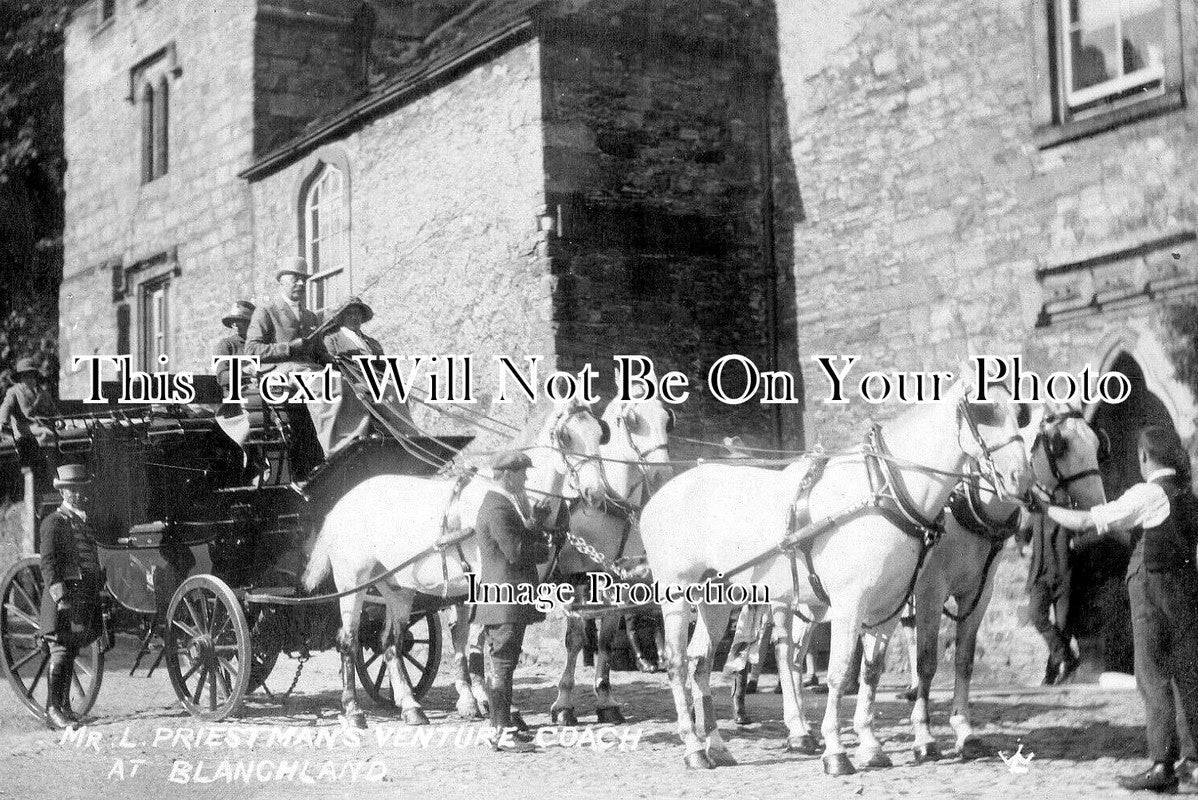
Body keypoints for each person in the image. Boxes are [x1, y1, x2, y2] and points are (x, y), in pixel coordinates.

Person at [1033, 426, 1198, 793]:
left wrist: (1045, 507)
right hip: (1185, 591)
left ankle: (1161, 765)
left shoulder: (1147, 492)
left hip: (1151, 592)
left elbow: (1087, 520)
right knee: (1184, 674)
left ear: (1144, 456)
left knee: (1150, 675)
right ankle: (1191, 762)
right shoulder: (1187, 494)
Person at [472, 451, 552, 753]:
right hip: (505, 600)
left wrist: (536, 522)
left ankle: (500, 730)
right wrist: (545, 549)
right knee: (503, 666)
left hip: (508, 600)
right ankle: (501, 733)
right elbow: (516, 551)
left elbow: (519, 536)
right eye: (522, 474)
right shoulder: (497, 507)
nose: (527, 479)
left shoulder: (503, 504)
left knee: (504, 665)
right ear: (507, 474)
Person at [244, 258, 326, 475]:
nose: (300, 283)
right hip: (280, 374)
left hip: (307, 373)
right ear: (281, 281)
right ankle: (331, 446)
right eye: (295, 279)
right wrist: (288, 348)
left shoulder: (311, 316)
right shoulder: (266, 312)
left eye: (303, 280)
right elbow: (252, 350)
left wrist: (338, 361)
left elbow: (319, 353)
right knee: (319, 384)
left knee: (340, 383)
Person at [39, 464, 103, 731]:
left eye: (79, 490)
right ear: (62, 491)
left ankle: (65, 707)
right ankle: (53, 709)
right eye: (70, 490)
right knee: (61, 651)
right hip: (62, 599)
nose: (75, 494)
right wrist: (60, 596)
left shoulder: (83, 522)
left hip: (83, 597)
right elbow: (48, 564)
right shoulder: (54, 522)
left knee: (71, 648)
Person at [1026, 512, 1080, 685]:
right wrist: (1022, 545)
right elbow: (1022, 533)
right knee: (1035, 614)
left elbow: (1084, 533)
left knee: (1062, 627)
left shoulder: (1067, 514)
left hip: (1064, 578)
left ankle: (1051, 675)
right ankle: (1069, 657)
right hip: (1040, 577)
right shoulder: (1035, 514)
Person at [1, 357, 59, 489]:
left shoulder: (42, 392)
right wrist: (3, 422)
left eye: (32, 375)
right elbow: (5, 407)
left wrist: (59, 418)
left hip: (42, 426)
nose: (29, 379)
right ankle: (53, 476)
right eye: (25, 376)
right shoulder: (14, 391)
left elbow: (53, 410)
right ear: (20, 377)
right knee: (47, 434)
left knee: (65, 436)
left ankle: (59, 474)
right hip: (24, 427)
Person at [212, 300, 256, 395]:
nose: (235, 324)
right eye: (233, 321)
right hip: (235, 396)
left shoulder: (260, 344)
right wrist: (243, 371)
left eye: (240, 321)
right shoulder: (227, 344)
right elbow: (221, 377)